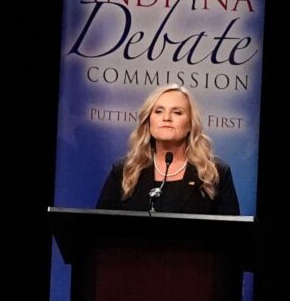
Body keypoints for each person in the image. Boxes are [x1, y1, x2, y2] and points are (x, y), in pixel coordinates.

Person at [96, 85, 241, 215]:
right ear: (148, 121)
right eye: (158, 111)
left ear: (191, 124)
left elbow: (231, 237)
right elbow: (98, 229)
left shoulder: (216, 173)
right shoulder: (123, 170)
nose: (166, 118)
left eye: (177, 112)